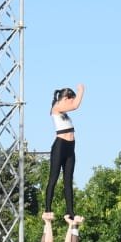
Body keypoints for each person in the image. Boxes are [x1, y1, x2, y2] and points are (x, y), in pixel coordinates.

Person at [43, 84, 84, 218]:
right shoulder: (57, 107)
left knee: (68, 180)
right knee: (53, 178)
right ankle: (48, 208)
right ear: (66, 98)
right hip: (60, 146)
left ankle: (70, 211)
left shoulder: (64, 113)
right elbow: (75, 106)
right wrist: (81, 91)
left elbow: (73, 106)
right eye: (71, 99)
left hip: (70, 147)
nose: (72, 102)